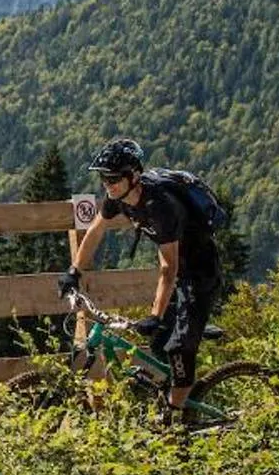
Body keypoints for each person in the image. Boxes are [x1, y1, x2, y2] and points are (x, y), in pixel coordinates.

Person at [57, 138, 224, 414]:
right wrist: (74, 271)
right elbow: (96, 232)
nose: (107, 185)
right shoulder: (118, 199)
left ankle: (176, 422)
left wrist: (156, 316)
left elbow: (169, 269)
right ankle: (183, 390)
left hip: (199, 274)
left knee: (178, 348)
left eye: (112, 178)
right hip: (177, 273)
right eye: (103, 178)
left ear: (133, 176)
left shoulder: (160, 206)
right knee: (160, 342)